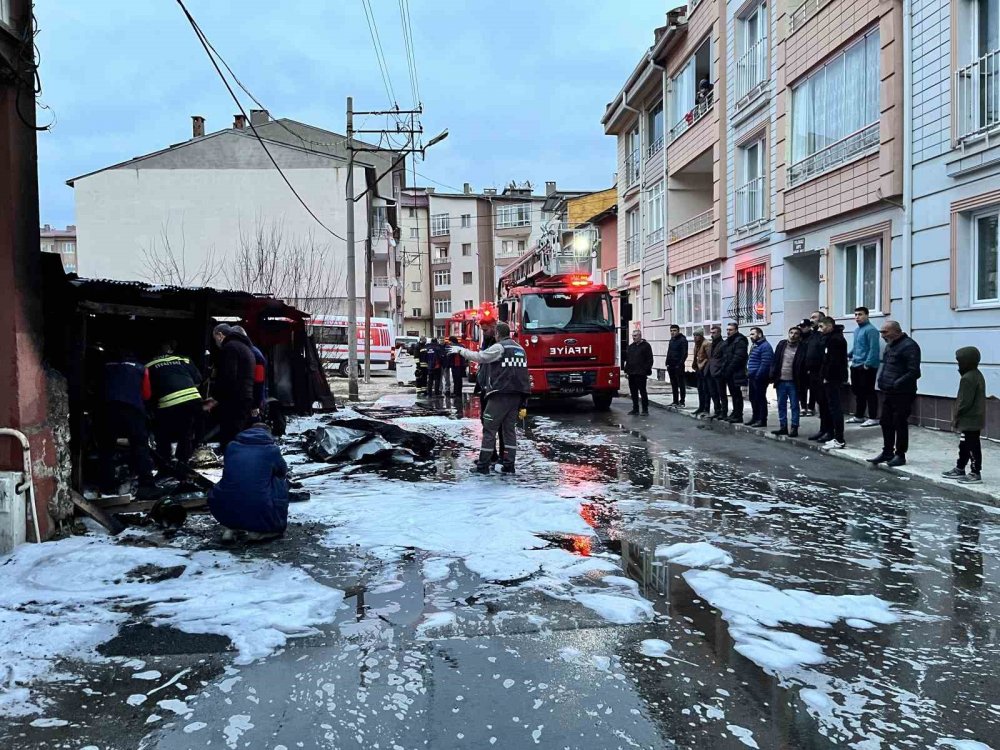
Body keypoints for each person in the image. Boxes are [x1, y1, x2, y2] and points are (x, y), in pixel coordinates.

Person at [450, 322, 529, 474]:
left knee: (489, 429)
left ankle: (483, 466)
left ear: (497, 334)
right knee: (509, 431)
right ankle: (509, 465)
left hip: (500, 395)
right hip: (517, 395)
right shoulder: (520, 349)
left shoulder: (500, 347)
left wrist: (461, 351)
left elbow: (480, 357)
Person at [208, 423, 288, 542]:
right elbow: (282, 471)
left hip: (223, 500)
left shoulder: (231, 446)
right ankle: (259, 531)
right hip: (258, 502)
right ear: (268, 434)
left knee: (237, 480)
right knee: (278, 482)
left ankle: (231, 528)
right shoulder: (271, 450)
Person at [98, 349, 158, 499]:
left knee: (107, 448)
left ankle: (106, 485)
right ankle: (147, 484)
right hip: (133, 409)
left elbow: (97, 389)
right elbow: (147, 394)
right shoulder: (141, 368)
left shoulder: (106, 367)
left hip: (108, 408)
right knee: (140, 446)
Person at [868, 321, 921, 467]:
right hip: (889, 391)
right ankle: (887, 452)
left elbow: (914, 372)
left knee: (899, 422)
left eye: (885, 332)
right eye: (881, 332)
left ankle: (900, 454)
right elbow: (887, 365)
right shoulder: (890, 345)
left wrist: (897, 383)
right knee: (886, 421)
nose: (882, 335)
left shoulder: (909, 346)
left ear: (896, 331)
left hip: (903, 392)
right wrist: (881, 379)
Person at [146, 340, 204, 464]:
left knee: (163, 435)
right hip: (192, 399)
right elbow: (198, 380)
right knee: (186, 433)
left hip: (168, 403)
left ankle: (165, 462)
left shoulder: (148, 365)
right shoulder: (184, 359)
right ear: (171, 350)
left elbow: (147, 391)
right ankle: (182, 462)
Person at [942, 347, 986, 484]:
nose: (958, 364)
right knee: (964, 444)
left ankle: (975, 472)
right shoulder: (976, 374)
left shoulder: (968, 378)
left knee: (972, 445)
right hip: (972, 417)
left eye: (960, 361)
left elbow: (964, 401)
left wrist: (956, 415)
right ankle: (960, 467)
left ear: (966, 361)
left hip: (969, 418)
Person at [212, 323, 256, 452]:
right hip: (245, 396)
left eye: (215, 339)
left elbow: (228, 376)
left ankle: (231, 457)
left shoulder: (230, 348)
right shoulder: (246, 347)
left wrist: (217, 397)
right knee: (239, 432)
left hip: (233, 398)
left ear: (220, 335)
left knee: (230, 434)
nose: (216, 343)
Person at [817, 317, 848, 449]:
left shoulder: (835, 340)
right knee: (830, 407)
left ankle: (839, 439)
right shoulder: (830, 338)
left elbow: (833, 361)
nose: (819, 330)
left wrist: (827, 377)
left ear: (829, 326)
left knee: (835, 408)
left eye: (822, 327)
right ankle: (834, 435)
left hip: (833, 378)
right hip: (830, 377)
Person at [770, 326, 806, 437]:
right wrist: (772, 375)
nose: (793, 335)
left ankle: (794, 427)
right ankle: (783, 426)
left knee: (794, 405)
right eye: (791, 333)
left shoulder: (802, 347)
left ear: (799, 336)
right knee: (781, 405)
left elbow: (804, 364)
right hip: (781, 380)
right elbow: (775, 360)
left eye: (796, 333)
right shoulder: (782, 345)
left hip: (794, 381)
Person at [848, 306, 881, 426]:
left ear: (867, 315)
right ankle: (859, 416)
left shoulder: (871, 330)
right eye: (856, 315)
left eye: (860, 314)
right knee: (858, 392)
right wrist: (849, 354)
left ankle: (873, 417)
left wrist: (868, 364)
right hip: (856, 364)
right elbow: (857, 346)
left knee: (869, 391)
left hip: (866, 366)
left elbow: (874, 348)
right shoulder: (857, 330)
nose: (857, 317)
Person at [232, 325, 267, 418]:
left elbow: (259, 381)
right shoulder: (251, 352)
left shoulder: (255, 355)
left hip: (251, 402)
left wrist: (256, 405)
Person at [720, 323, 749, 423]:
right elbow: (725, 356)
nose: (728, 332)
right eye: (727, 330)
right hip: (729, 372)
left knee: (737, 394)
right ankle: (735, 412)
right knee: (733, 393)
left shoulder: (740, 341)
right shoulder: (729, 341)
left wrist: (729, 370)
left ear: (736, 330)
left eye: (730, 330)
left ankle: (738, 415)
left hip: (736, 372)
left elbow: (738, 358)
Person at [746, 327, 774, 427]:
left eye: (753, 334)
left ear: (760, 335)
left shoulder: (765, 346)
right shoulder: (755, 345)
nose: (751, 336)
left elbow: (766, 363)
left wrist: (758, 375)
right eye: (750, 334)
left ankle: (762, 420)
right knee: (753, 398)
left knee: (760, 398)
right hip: (752, 376)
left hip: (760, 377)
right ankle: (755, 417)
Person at [802, 311, 827, 424]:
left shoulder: (823, 335)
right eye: (811, 317)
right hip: (811, 370)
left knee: (821, 396)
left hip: (820, 370)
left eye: (814, 318)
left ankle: (825, 420)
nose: (811, 320)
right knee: (816, 393)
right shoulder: (813, 334)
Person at [624, 328, 653, 415]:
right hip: (632, 373)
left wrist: (646, 370)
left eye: (636, 336)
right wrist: (626, 371)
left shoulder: (646, 346)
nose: (634, 337)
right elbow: (628, 360)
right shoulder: (631, 347)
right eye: (633, 336)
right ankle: (635, 409)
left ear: (640, 336)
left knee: (642, 392)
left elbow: (650, 359)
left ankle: (645, 410)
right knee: (633, 392)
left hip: (641, 373)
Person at [707, 324, 727, 419]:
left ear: (719, 333)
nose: (712, 335)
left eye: (714, 333)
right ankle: (717, 410)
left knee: (722, 393)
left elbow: (725, 359)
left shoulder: (723, 344)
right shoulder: (712, 344)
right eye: (711, 333)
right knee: (713, 393)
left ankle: (724, 412)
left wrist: (721, 370)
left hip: (719, 372)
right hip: (711, 372)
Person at [665, 324, 688, 408]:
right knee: (673, 384)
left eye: (674, 331)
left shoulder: (683, 340)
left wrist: (680, 364)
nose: (672, 332)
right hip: (671, 365)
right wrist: (667, 362)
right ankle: (675, 401)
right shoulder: (671, 340)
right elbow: (669, 352)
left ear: (678, 331)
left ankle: (682, 401)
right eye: (671, 331)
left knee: (681, 384)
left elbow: (684, 354)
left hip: (678, 365)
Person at [796, 318, 814, 415]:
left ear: (809, 327)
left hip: (810, 365)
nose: (802, 328)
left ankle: (811, 407)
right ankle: (803, 407)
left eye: (804, 326)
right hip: (801, 365)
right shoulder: (800, 337)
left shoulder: (813, 336)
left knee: (812, 387)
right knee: (801, 388)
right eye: (801, 326)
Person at [692, 331, 710, 416]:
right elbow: (696, 356)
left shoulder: (706, 344)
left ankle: (706, 408)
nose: (695, 337)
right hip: (698, 369)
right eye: (694, 335)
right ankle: (701, 407)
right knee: (700, 389)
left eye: (697, 335)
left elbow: (709, 357)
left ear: (701, 335)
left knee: (706, 389)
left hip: (705, 369)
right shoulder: (696, 344)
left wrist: (703, 364)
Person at [446, 336, 466, 400]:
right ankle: (459, 393)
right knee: (459, 380)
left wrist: (447, 365)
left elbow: (449, 356)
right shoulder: (461, 346)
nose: (450, 343)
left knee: (456, 380)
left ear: (452, 341)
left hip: (455, 365)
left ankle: (456, 393)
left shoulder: (452, 347)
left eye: (450, 341)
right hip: (461, 365)